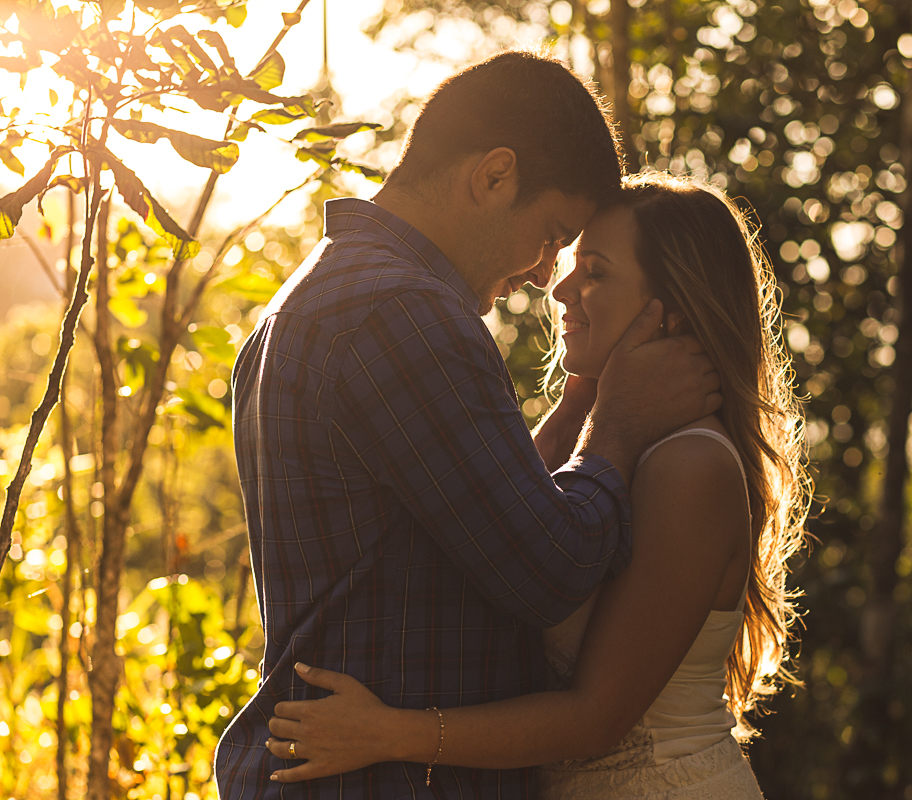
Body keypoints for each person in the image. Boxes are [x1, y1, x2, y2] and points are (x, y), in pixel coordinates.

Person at [214, 52, 723, 799]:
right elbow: (549, 568)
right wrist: (616, 424)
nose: (548, 273)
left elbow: (477, 512)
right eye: (552, 234)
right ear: (493, 176)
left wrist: (584, 403)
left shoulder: (319, 293)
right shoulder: (405, 314)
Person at [261, 173, 812, 798]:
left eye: (596, 272)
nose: (561, 287)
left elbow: (596, 718)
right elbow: (521, 529)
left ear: (671, 310)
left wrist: (389, 734)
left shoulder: (690, 467)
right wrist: (590, 395)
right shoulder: (614, 443)